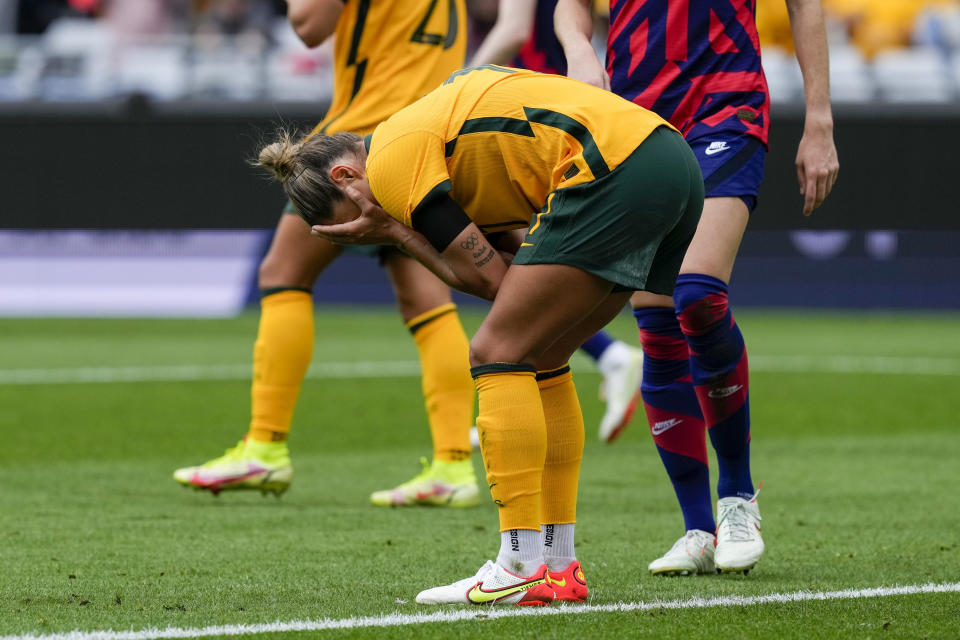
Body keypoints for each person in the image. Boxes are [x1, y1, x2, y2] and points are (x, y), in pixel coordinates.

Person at [257, 65, 703, 605]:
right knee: (543, 353)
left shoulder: (395, 160)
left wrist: (397, 232)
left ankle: (517, 564)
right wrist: (401, 232)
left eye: (357, 221)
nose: (369, 226)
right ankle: (558, 567)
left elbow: (493, 283)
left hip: (614, 169)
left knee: (495, 351)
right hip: (670, 160)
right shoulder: (438, 140)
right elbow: (512, 276)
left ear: (346, 178)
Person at [556, 0, 839, 574]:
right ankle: (697, 530)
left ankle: (738, 497)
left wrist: (819, 118)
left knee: (697, 296)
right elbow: (570, 8)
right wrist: (581, 52)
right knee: (658, 326)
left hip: (726, 105)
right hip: (634, 120)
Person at [173, 0, 483, 509]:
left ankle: (264, 446)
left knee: (283, 273)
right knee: (425, 299)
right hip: (426, 136)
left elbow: (309, 26)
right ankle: (452, 464)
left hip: (359, 142)